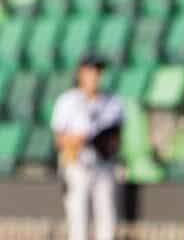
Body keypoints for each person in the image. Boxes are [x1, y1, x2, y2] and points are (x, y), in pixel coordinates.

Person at [51, 55, 124, 240]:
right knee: (78, 216)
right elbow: (59, 138)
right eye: (91, 71)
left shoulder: (112, 102)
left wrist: (103, 141)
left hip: (103, 163)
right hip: (78, 164)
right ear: (81, 73)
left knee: (106, 214)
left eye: (98, 72)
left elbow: (116, 136)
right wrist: (80, 139)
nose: (95, 76)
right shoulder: (68, 100)